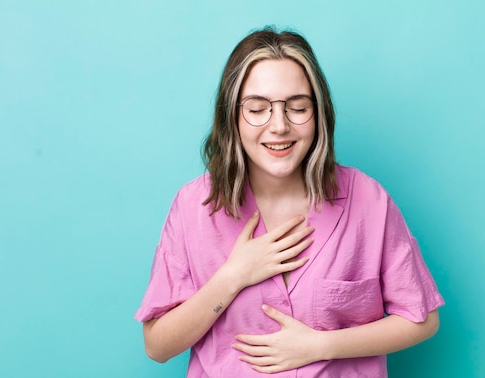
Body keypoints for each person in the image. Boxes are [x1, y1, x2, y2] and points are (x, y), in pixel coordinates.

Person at [135, 26, 444, 377]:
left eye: (297, 107)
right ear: (232, 117)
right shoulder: (194, 206)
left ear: (319, 113)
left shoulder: (368, 200)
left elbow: (422, 319)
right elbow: (157, 346)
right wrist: (234, 276)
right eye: (257, 109)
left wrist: (320, 345)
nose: (279, 125)